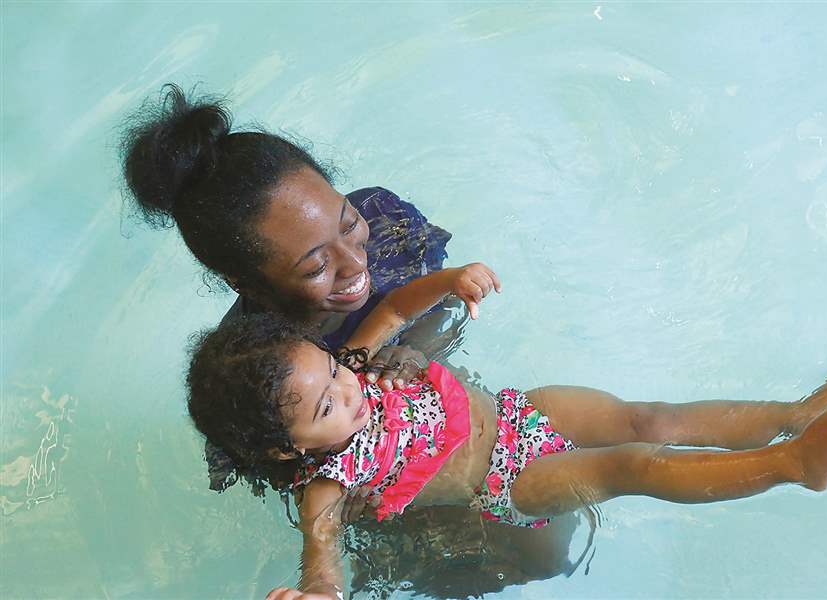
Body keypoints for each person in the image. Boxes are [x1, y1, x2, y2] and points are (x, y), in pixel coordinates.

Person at [185, 262, 827, 600]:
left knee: (650, 417)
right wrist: (317, 594)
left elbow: (394, 308)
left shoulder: (358, 368)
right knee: (631, 463)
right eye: (327, 408)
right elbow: (322, 557)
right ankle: (793, 464)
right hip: (510, 480)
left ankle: (794, 413)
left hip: (523, 412)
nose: (349, 389)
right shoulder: (325, 486)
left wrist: (450, 281)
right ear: (288, 449)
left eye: (334, 369)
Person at [121, 84, 577, 593]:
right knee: (479, 565)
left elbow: (446, 307)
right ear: (246, 284)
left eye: (346, 222)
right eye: (316, 265)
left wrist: (416, 349)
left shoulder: (383, 225)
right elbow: (294, 482)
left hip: (452, 418)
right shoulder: (249, 374)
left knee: (550, 550)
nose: (357, 262)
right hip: (390, 492)